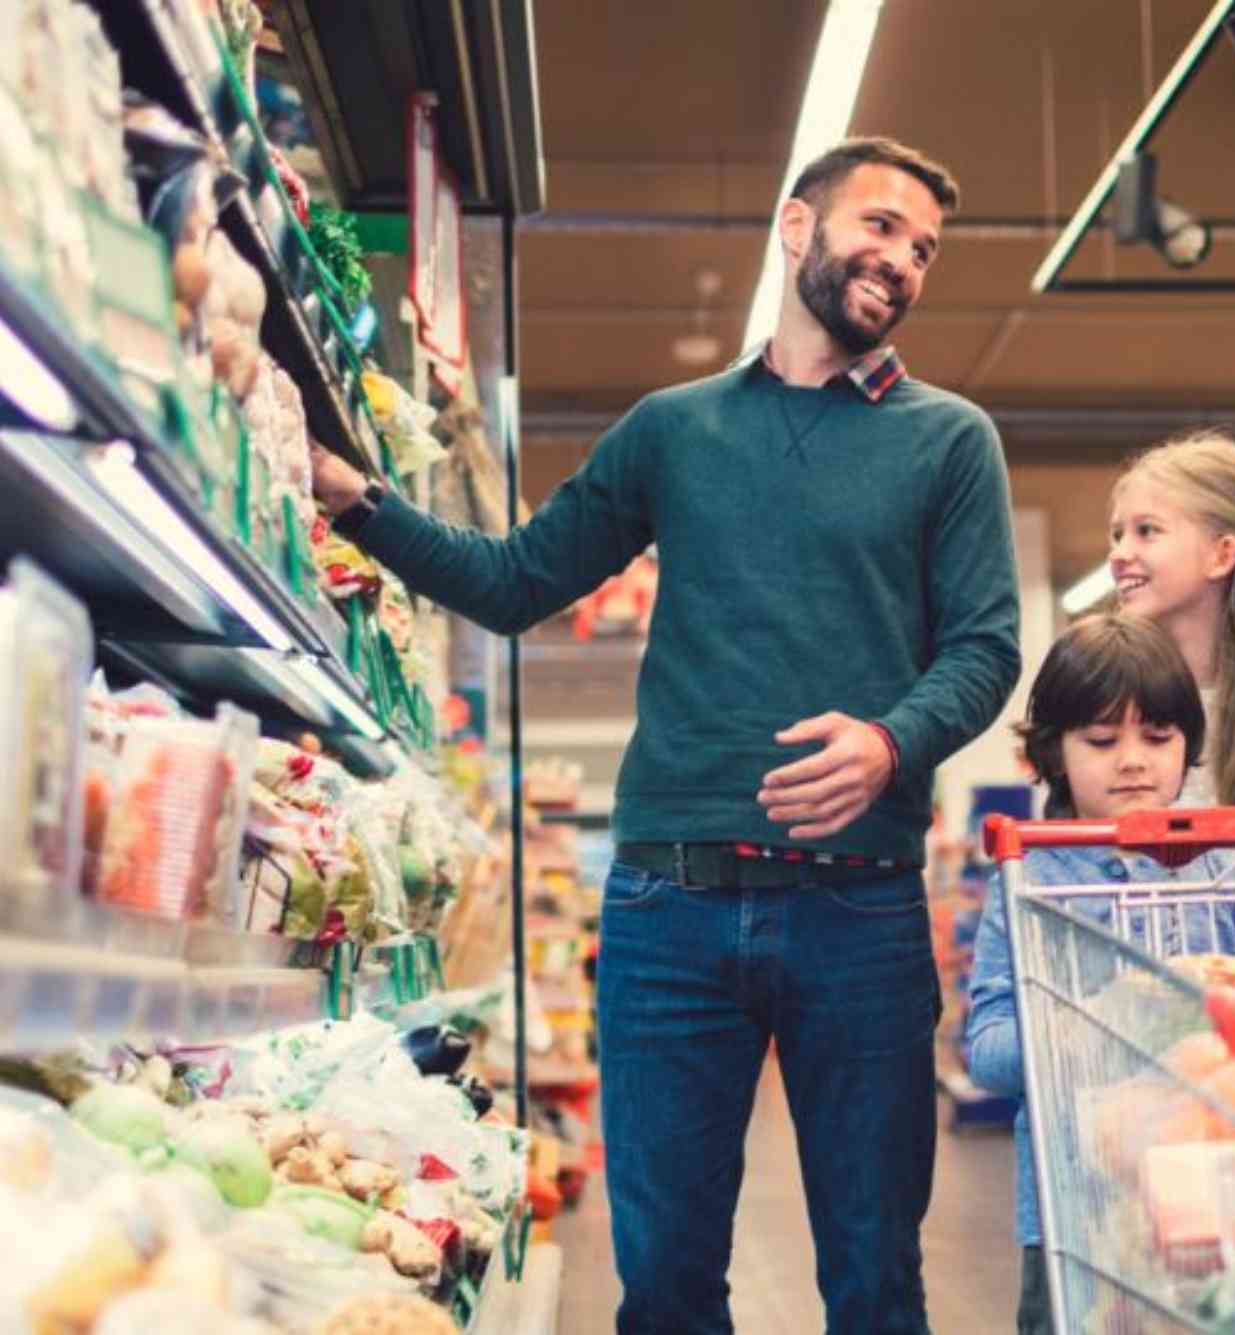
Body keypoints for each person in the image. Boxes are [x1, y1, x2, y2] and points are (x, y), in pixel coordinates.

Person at [310, 138, 1021, 1334]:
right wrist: (356, 501)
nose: (899, 260)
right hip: (667, 913)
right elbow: (514, 581)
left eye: (922, 248)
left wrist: (892, 745)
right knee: (668, 1285)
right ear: (797, 228)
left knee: (873, 1277)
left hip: (861, 914)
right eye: (881, 226)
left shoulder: (950, 443)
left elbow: (986, 649)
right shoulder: (673, 430)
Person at [961, 614, 1235, 1335]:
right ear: (1053, 752)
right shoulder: (1029, 884)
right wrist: (1100, 1018)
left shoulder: (1231, 871)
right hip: (1072, 1218)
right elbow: (989, 1051)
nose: (1133, 760)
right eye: (1102, 741)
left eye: (1158, 737)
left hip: (1217, 1208)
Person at [1107, 432, 1235, 808]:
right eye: (1117, 535)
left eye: (1146, 531)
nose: (1119, 554)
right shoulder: (1108, 697)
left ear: (1221, 555)